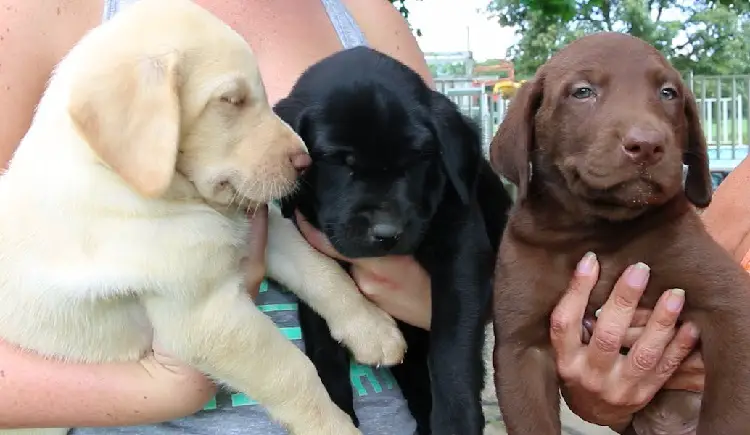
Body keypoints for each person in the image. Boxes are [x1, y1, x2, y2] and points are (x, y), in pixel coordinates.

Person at [0, 0, 710, 433]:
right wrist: (161, 384)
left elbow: (459, 232)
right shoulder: (58, 14)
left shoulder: (361, 14)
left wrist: (572, 364)